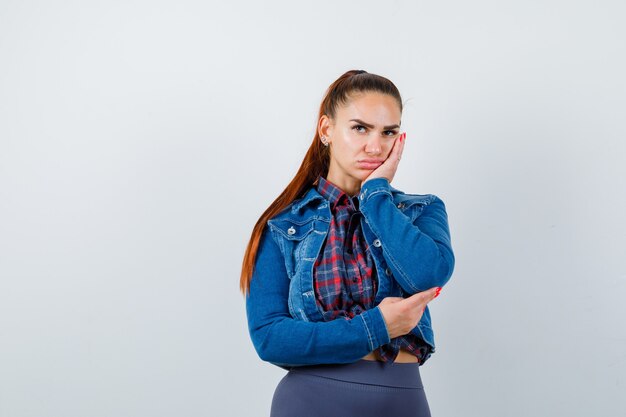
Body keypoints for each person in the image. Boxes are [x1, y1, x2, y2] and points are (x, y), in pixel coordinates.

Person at [240, 70, 455, 417]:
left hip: (402, 399)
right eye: (360, 128)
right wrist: (378, 326)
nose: (375, 146)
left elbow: (427, 275)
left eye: (389, 132)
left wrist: (375, 195)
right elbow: (270, 337)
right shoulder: (283, 227)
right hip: (313, 400)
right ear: (327, 130)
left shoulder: (421, 211)